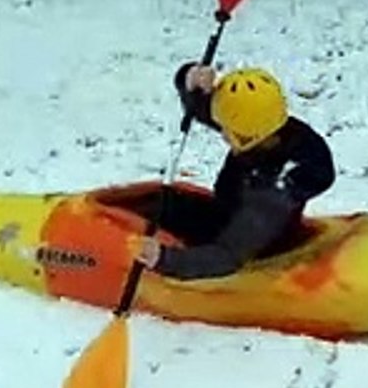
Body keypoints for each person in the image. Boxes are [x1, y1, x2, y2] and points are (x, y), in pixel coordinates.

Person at [131, 62, 336, 280]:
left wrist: (163, 259)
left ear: (248, 137)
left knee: (166, 216)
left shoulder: (270, 196)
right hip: (227, 212)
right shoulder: (264, 125)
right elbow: (203, 110)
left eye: (228, 131)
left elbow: (228, 256)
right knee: (154, 204)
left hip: (251, 246)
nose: (223, 135)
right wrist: (191, 81)